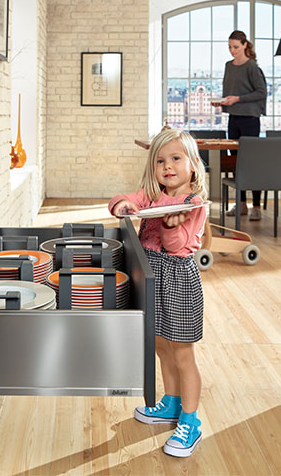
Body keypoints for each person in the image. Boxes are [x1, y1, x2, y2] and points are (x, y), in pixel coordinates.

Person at [108, 128, 209, 458]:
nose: (167, 166)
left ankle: (191, 421)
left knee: (182, 353)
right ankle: (171, 403)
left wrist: (169, 226)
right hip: (150, 271)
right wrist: (123, 205)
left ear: (193, 164)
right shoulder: (152, 195)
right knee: (161, 346)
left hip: (177, 277)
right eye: (160, 161)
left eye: (176, 159)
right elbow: (124, 201)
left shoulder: (193, 203)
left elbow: (178, 246)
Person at [212, 30, 268, 221]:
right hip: (234, 118)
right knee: (237, 162)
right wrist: (222, 101)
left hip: (250, 119)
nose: (232, 51)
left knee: (253, 162)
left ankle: (257, 206)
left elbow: (261, 92)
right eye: (229, 47)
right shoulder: (229, 66)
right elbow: (231, 92)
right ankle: (241, 204)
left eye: (235, 47)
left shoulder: (252, 67)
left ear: (245, 45)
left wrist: (238, 98)